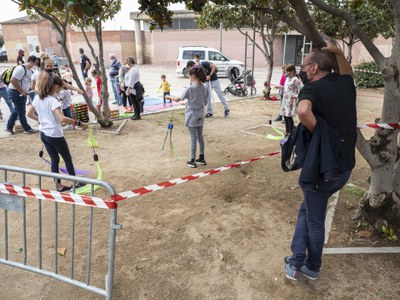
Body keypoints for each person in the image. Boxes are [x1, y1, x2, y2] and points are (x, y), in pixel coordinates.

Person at [284, 41, 357, 281]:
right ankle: (295, 260)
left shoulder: (311, 90)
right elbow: (348, 70)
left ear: (314, 68)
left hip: (322, 170)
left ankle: (311, 266)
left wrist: (319, 131)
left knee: (314, 220)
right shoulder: (344, 83)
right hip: (344, 167)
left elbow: (303, 112)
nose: (302, 69)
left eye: (305, 65)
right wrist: (336, 52)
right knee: (307, 210)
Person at [27, 72, 86, 192]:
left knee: (54, 159)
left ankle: (58, 186)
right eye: (61, 88)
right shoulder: (53, 100)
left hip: (43, 134)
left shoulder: (38, 97)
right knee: (67, 158)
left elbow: (29, 114)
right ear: (56, 87)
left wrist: (43, 120)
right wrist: (79, 123)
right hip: (54, 134)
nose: (60, 90)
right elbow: (62, 118)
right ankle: (75, 182)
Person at [166, 64, 209, 168]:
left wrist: (168, 96)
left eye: (189, 76)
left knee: (193, 138)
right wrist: (192, 102)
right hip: (200, 115)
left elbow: (177, 99)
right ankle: (201, 158)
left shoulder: (190, 89)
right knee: (200, 136)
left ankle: (192, 160)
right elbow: (204, 102)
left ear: (193, 76)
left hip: (192, 116)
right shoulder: (205, 87)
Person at [5, 55, 38, 134]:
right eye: (34, 64)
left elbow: (27, 82)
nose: (35, 66)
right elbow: (13, 80)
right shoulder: (21, 69)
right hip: (15, 92)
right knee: (21, 111)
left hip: (21, 93)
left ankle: (9, 127)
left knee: (17, 110)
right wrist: (22, 91)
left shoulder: (29, 70)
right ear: (31, 62)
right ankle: (27, 129)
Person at [192, 54, 230, 118]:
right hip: (206, 82)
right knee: (208, 96)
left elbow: (213, 66)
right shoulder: (196, 69)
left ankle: (226, 109)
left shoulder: (204, 63)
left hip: (214, 80)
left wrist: (210, 75)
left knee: (219, 94)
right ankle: (209, 112)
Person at [281, 64, 303, 136]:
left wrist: (296, 96)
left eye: (288, 72)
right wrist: (281, 88)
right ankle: (287, 131)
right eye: (285, 71)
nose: (286, 73)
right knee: (285, 116)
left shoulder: (296, 79)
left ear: (292, 71)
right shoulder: (287, 79)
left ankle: (290, 132)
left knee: (289, 116)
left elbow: (302, 88)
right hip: (285, 100)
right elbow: (286, 88)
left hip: (291, 101)